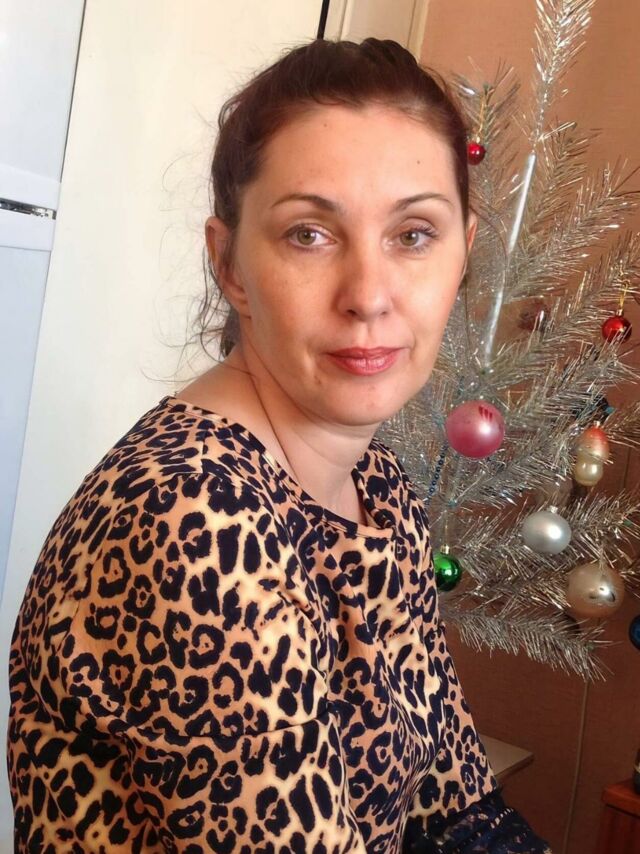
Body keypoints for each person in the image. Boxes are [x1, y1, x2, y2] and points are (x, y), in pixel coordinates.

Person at [6, 37, 551, 854]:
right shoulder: (192, 519)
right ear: (229, 265)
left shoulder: (377, 488)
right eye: (309, 234)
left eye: (413, 235)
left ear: (463, 252)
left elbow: (456, 802)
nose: (368, 295)